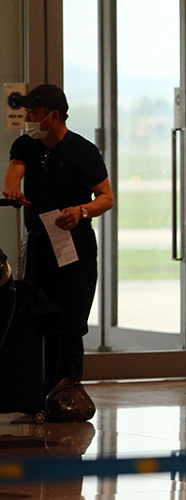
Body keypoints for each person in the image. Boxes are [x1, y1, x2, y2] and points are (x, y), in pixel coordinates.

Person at [3, 83, 114, 388]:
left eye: (33, 111)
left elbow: (106, 197)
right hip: (40, 241)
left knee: (71, 320)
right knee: (38, 314)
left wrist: (82, 211)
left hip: (74, 245)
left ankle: (67, 390)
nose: (27, 117)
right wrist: (12, 188)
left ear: (52, 116)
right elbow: (15, 169)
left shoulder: (83, 150)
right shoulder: (27, 145)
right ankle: (37, 389)